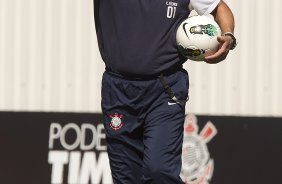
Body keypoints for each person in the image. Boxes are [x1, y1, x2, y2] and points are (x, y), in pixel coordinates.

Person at [93, 0, 236, 183]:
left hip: (165, 89)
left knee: (159, 171)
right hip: (118, 91)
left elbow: (219, 8)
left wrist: (229, 36)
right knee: (126, 178)